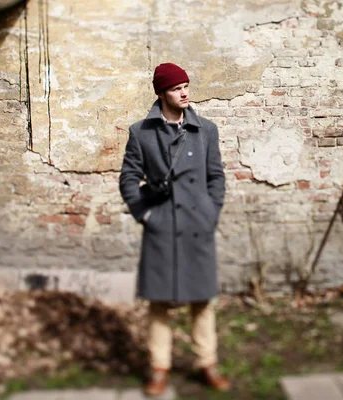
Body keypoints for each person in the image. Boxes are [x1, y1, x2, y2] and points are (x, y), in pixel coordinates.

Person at [119, 62, 230, 396]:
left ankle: (206, 363)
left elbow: (216, 176)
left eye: (186, 86)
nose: (184, 92)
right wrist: (146, 215)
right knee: (159, 304)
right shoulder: (141, 132)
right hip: (162, 227)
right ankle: (159, 367)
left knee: (202, 301)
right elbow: (128, 178)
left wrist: (211, 212)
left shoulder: (206, 130)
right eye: (176, 88)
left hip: (198, 226)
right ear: (161, 93)